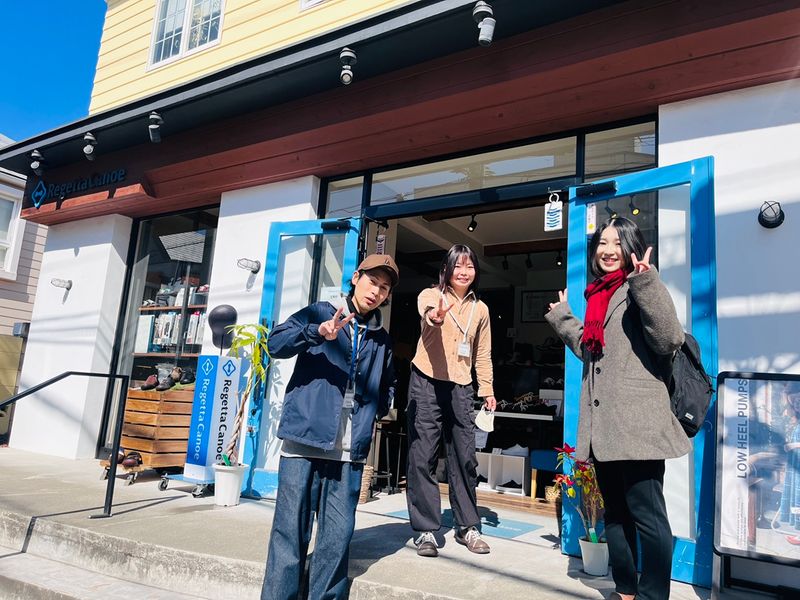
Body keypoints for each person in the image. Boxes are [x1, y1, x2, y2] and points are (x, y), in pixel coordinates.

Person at [545, 217, 690, 600]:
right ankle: (625, 590)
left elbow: (669, 338)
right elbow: (592, 352)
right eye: (602, 243)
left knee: (648, 517)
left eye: (616, 242)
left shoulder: (638, 286)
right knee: (615, 515)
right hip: (606, 426)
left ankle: (653, 595)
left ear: (631, 247)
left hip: (639, 426)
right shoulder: (599, 295)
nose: (608, 250)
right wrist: (563, 317)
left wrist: (646, 281)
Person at [260, 254, 399, 600]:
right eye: (372, 282)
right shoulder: (321, 312)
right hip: (303, 441)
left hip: (350, 449)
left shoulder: (382, 339)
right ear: (356, 278)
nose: (376, 292)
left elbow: (388, 385)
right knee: (289, 533)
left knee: (336, 540)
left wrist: (375, 412)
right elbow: (275, 344)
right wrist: (316, 332)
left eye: (384, 288)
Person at [406, 244, 497, 558]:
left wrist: (487, 390)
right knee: (423, 455)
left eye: (469, 266)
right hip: (426, 381)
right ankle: (426, 530)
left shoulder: (480, 310)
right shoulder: (431, 295)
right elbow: (428, 314)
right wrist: (435, 316)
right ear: (446, 270)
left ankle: (467, 526)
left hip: (461, 385)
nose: (463, 272)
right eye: (457, 266)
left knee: (465, 457)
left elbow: (482, 353)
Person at [776, 382, 800, 544]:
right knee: (796, 497)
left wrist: (793, 445)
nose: (796, 405)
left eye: (798, 400)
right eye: (794, 402)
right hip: (796, 465)